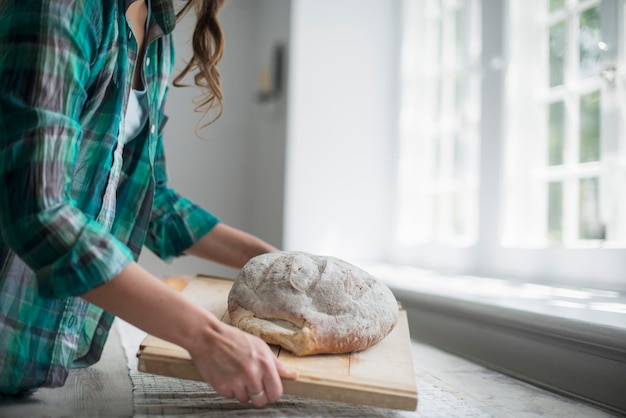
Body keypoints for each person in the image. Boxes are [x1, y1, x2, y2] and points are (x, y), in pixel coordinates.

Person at [0, 0, 297, 407]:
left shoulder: (155, 32)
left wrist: (275, 264)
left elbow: (148, 195)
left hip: (23, 361)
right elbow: (38, 211)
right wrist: (203, 336)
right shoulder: (63, 9)